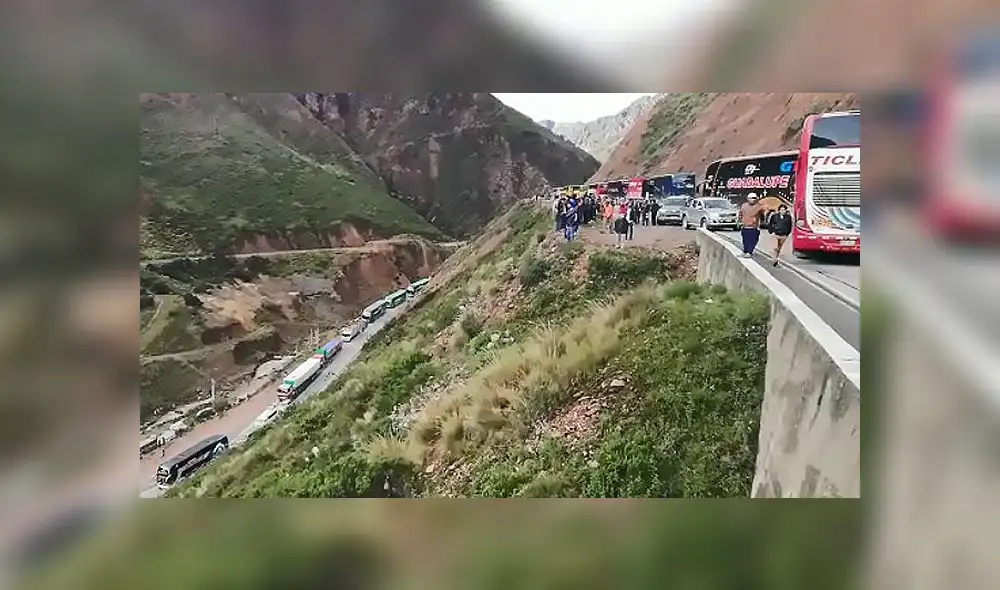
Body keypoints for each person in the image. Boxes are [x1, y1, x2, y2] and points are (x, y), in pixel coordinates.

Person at [739, 193, 765, 258]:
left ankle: (749, 252)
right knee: (745, 240)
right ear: (748, 199)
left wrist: (760, 223)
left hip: (753, 227)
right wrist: (740, 221)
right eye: (751, 198)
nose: (753, 200)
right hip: (745, 226)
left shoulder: (759, 206)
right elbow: (740, 214)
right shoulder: (744, 206)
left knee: (752, 240)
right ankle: (745, 251)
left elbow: (762, 216)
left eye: (754, 198)